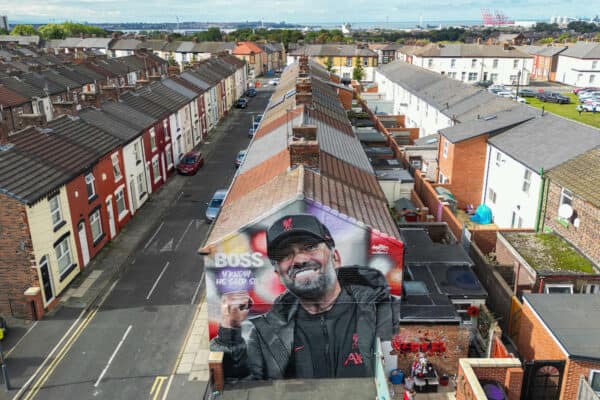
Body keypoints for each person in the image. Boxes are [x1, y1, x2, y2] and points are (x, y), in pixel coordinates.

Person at [210, 214, 400, 380]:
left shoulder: (384, 311)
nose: (299, 260)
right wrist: (229, 335)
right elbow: (240, 388)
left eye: (309, 247)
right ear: (279, 275)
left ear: (335, 258)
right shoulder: (265, 333)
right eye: (285, 255)